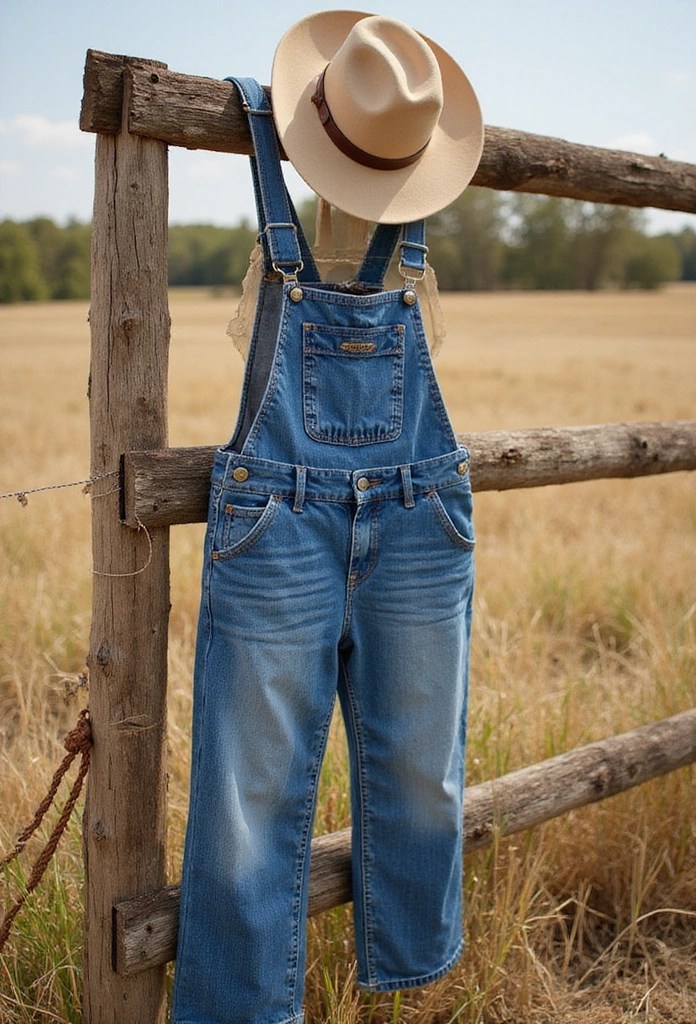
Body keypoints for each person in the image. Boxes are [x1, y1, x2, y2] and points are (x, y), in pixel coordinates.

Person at [172, 12, 483, 1024]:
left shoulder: (405, 248)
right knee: (246, 798)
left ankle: (409, 959)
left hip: (413, 530)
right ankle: (242, 1007)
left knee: (420, 771)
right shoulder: (273, 193)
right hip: (278, 530)